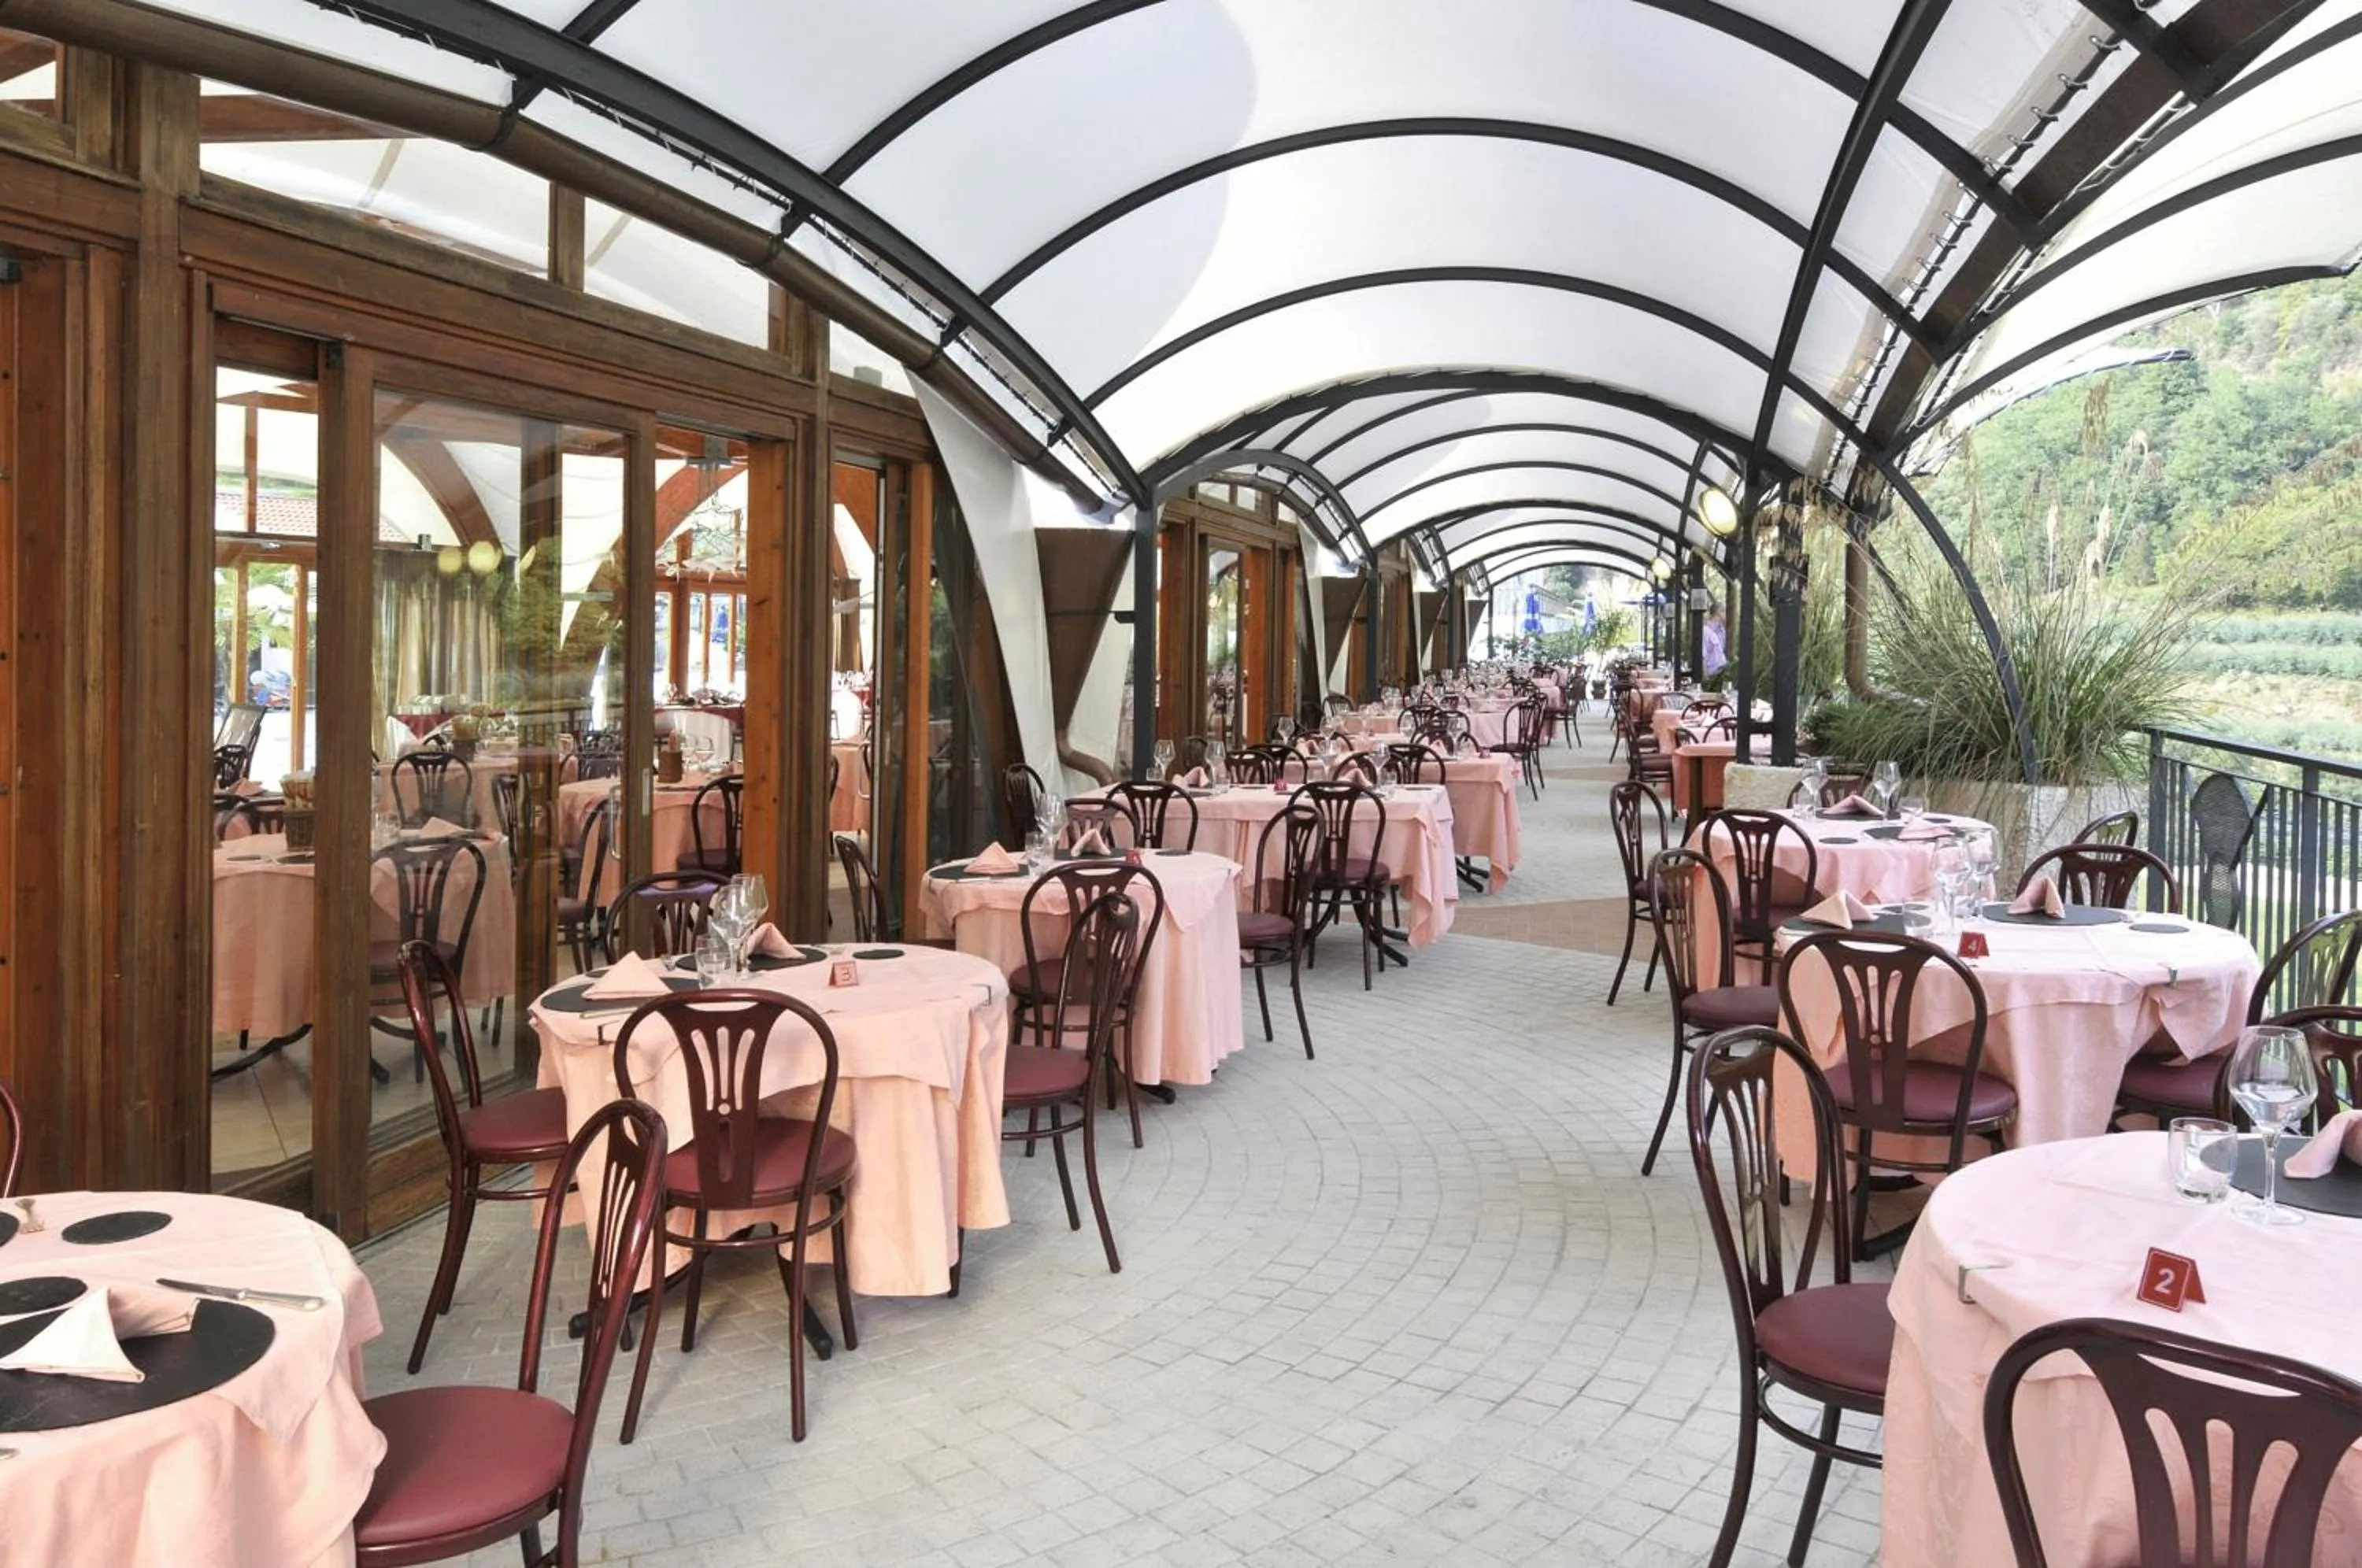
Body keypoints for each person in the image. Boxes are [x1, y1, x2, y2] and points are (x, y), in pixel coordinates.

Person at [1701, 605, 1727, 679]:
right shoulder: (1705, 631)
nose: (1727, 614)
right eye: (1725, 611)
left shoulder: (1722, 631)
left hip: (1722, 674)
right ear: (1719, 612)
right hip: (1712, 676)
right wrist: (1706, 681)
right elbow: (1703, 657)